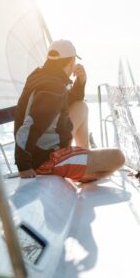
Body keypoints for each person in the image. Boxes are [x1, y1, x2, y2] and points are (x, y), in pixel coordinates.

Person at [14, 40, 125, 182]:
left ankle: (84, 157)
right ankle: (84, 172)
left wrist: (81, 81)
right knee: (118, 158)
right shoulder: (52, 88)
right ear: (71, 62)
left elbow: (68, 101)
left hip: (45, 146)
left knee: (81, 106)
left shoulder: (42, 76)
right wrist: (24, 166)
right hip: (46, 159)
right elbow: (30, 127)